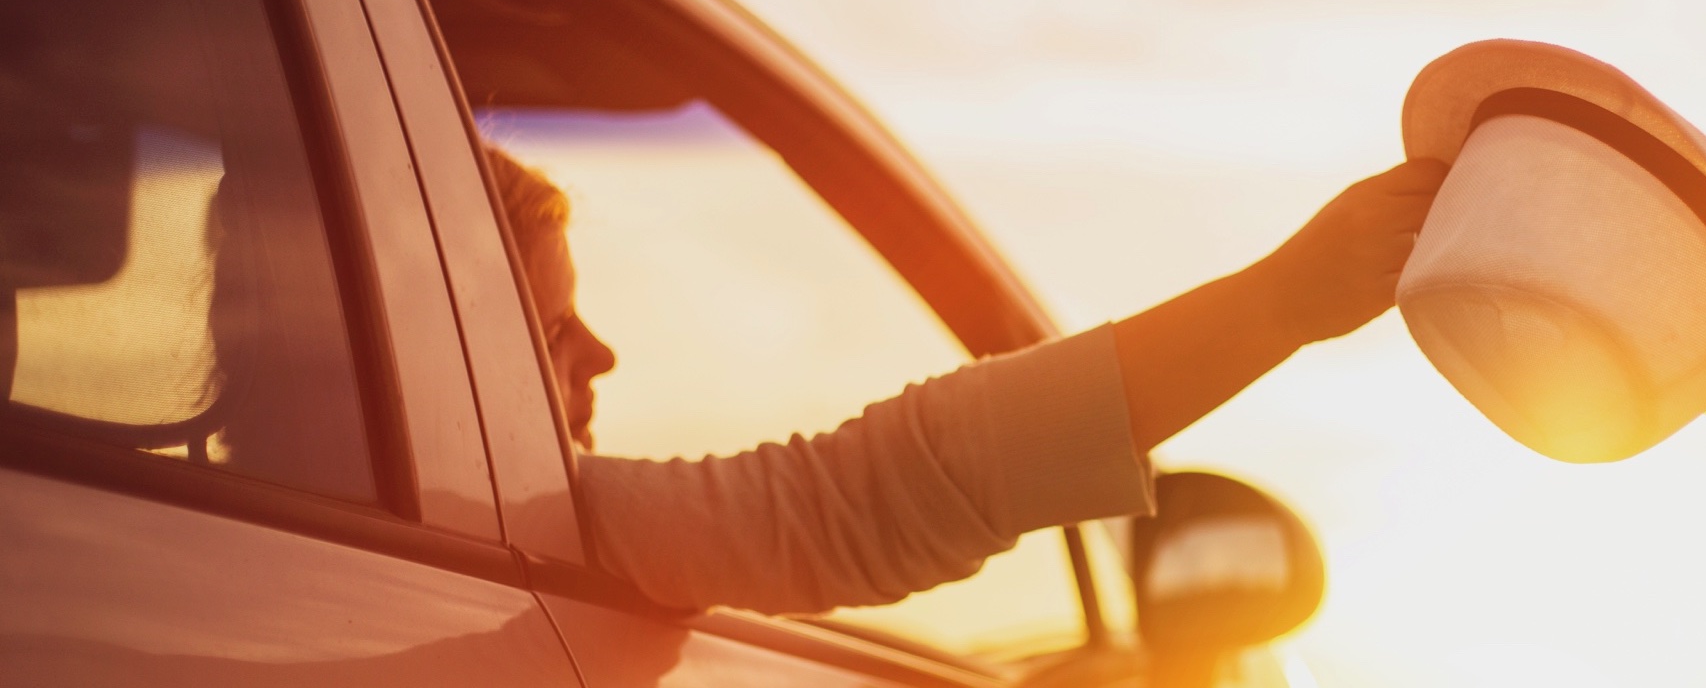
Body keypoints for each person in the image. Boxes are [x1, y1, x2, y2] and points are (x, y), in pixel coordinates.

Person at [488, 149, 1447, 615]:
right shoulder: (564, 534)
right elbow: (886, 491)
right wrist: (1284, 301)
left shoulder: (504, 533)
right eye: (553, 326)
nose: (603, 354)